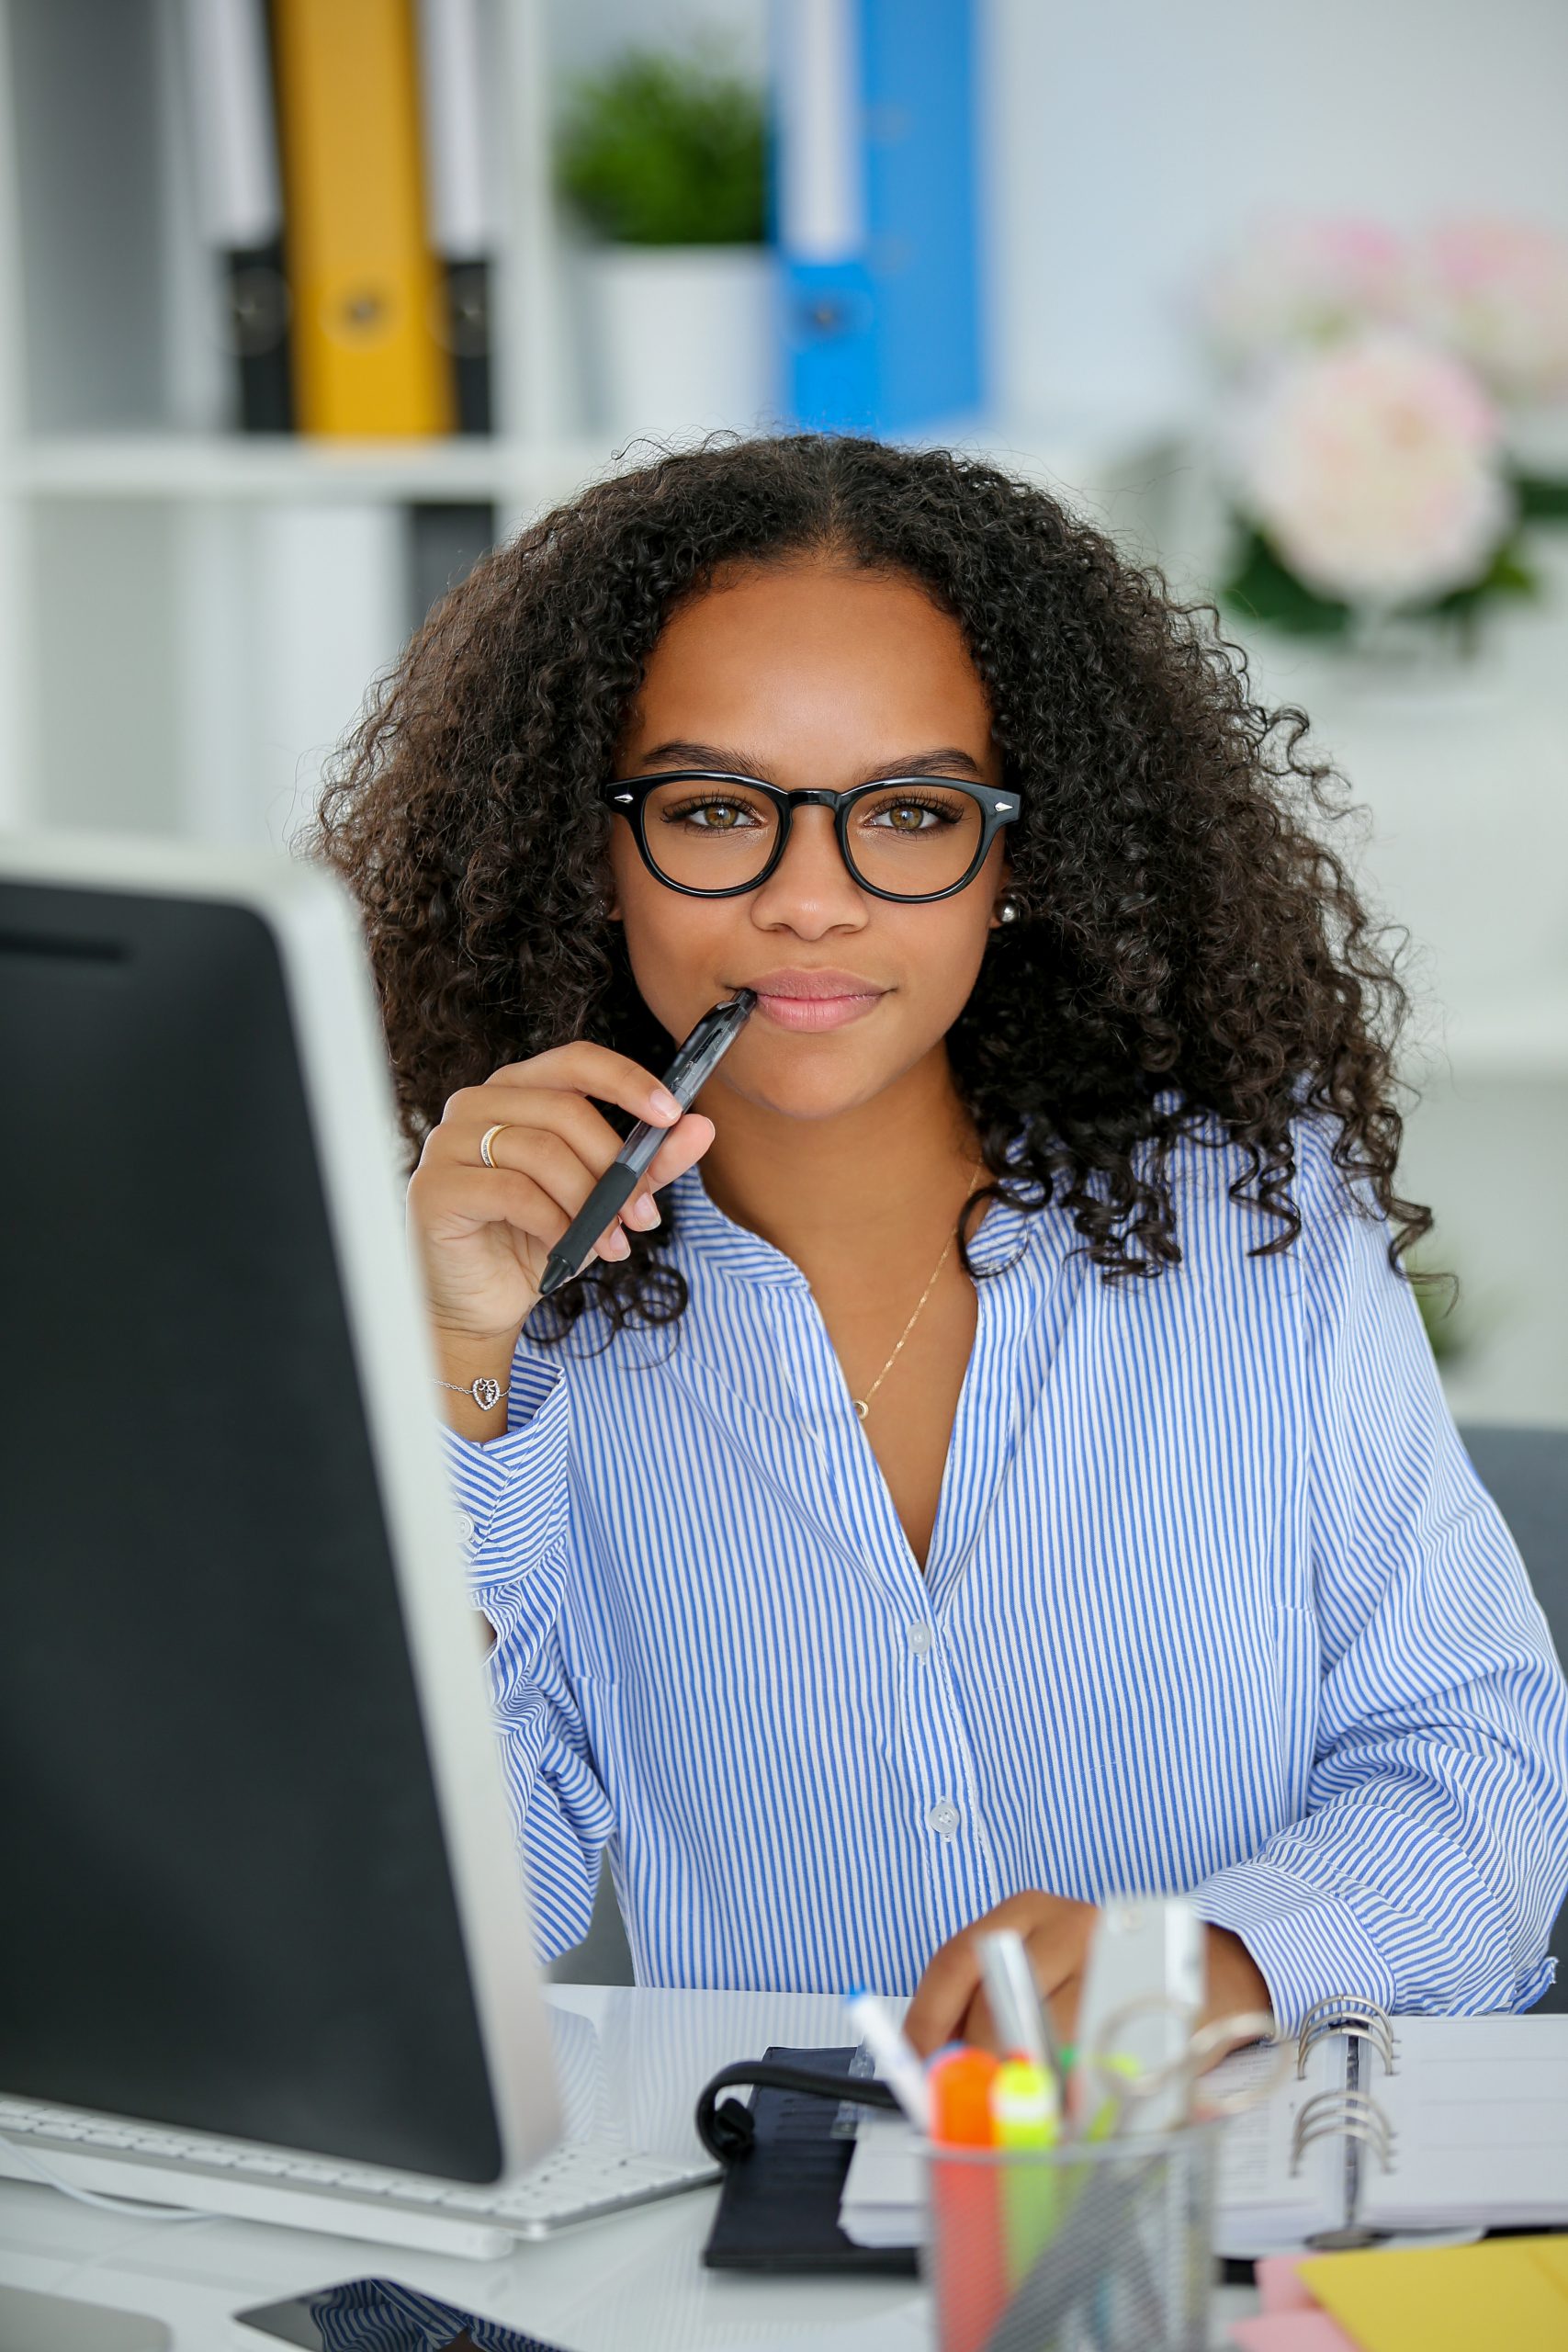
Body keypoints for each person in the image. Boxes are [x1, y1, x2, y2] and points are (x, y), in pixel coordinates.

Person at [310, 434, 1568, 2052]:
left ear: (1017, 860)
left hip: (1266, 2186)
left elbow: (1481, 1769)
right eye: (712, 808)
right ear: (591, 845)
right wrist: (454, 1367)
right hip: (784, 2237)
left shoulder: (1255, 1213)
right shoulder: (502, 1311)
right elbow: (465, 1903)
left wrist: (1228, 1966)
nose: (812, 900)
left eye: (907, 814)